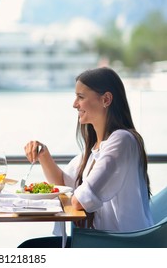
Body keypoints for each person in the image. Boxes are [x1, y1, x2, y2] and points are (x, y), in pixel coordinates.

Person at [18, 67, 154, 248]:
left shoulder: (122, 140)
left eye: (81, 97)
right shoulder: (95, 149)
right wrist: (44, 155)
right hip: (101, 241)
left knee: (29, 250)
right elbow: (64, 185)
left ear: (106, 99)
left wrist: (72, 195)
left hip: (120, 245)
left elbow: (79, 201)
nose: (75, 104)